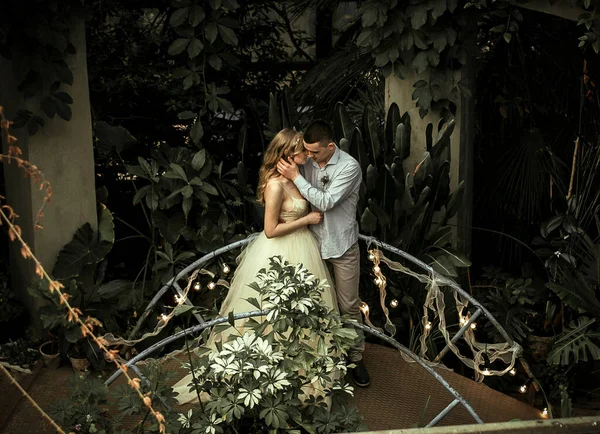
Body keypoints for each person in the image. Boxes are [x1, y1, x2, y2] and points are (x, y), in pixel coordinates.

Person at [172, 128, 339, 405]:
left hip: (303, 250)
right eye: (300, 151)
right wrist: (307, 219)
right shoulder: (275, 185)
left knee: (305, 309)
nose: (306, 155)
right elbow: (271, 230)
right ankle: (266, 370)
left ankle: (303, 366)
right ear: (287, 153)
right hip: (280, 251)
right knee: (271, 312)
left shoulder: (297, 176)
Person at [276, 119, 370, 387]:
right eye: (306, 151)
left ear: (331, 147)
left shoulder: (349, 167)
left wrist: (296, 178)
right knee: (314, 302)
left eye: (314, 152)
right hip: (310, 243)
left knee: (348, 306)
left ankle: (356, 357)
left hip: (341, 245)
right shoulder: (304, 160)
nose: (308, 157)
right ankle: (320, 358)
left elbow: (326, 202)